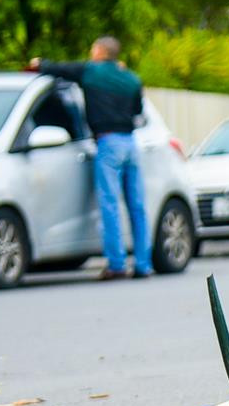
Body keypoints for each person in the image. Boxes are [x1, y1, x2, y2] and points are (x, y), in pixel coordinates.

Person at [30, 38, 152, 280]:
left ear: (99, 51)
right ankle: (142, 264)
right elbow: (138, 111)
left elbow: (59, 69)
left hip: (108, 143)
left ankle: (116, 264)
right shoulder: (131, 78)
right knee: (137, 207)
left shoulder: (91, 72)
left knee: (109, 204)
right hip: (131, 143)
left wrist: (38, 64)